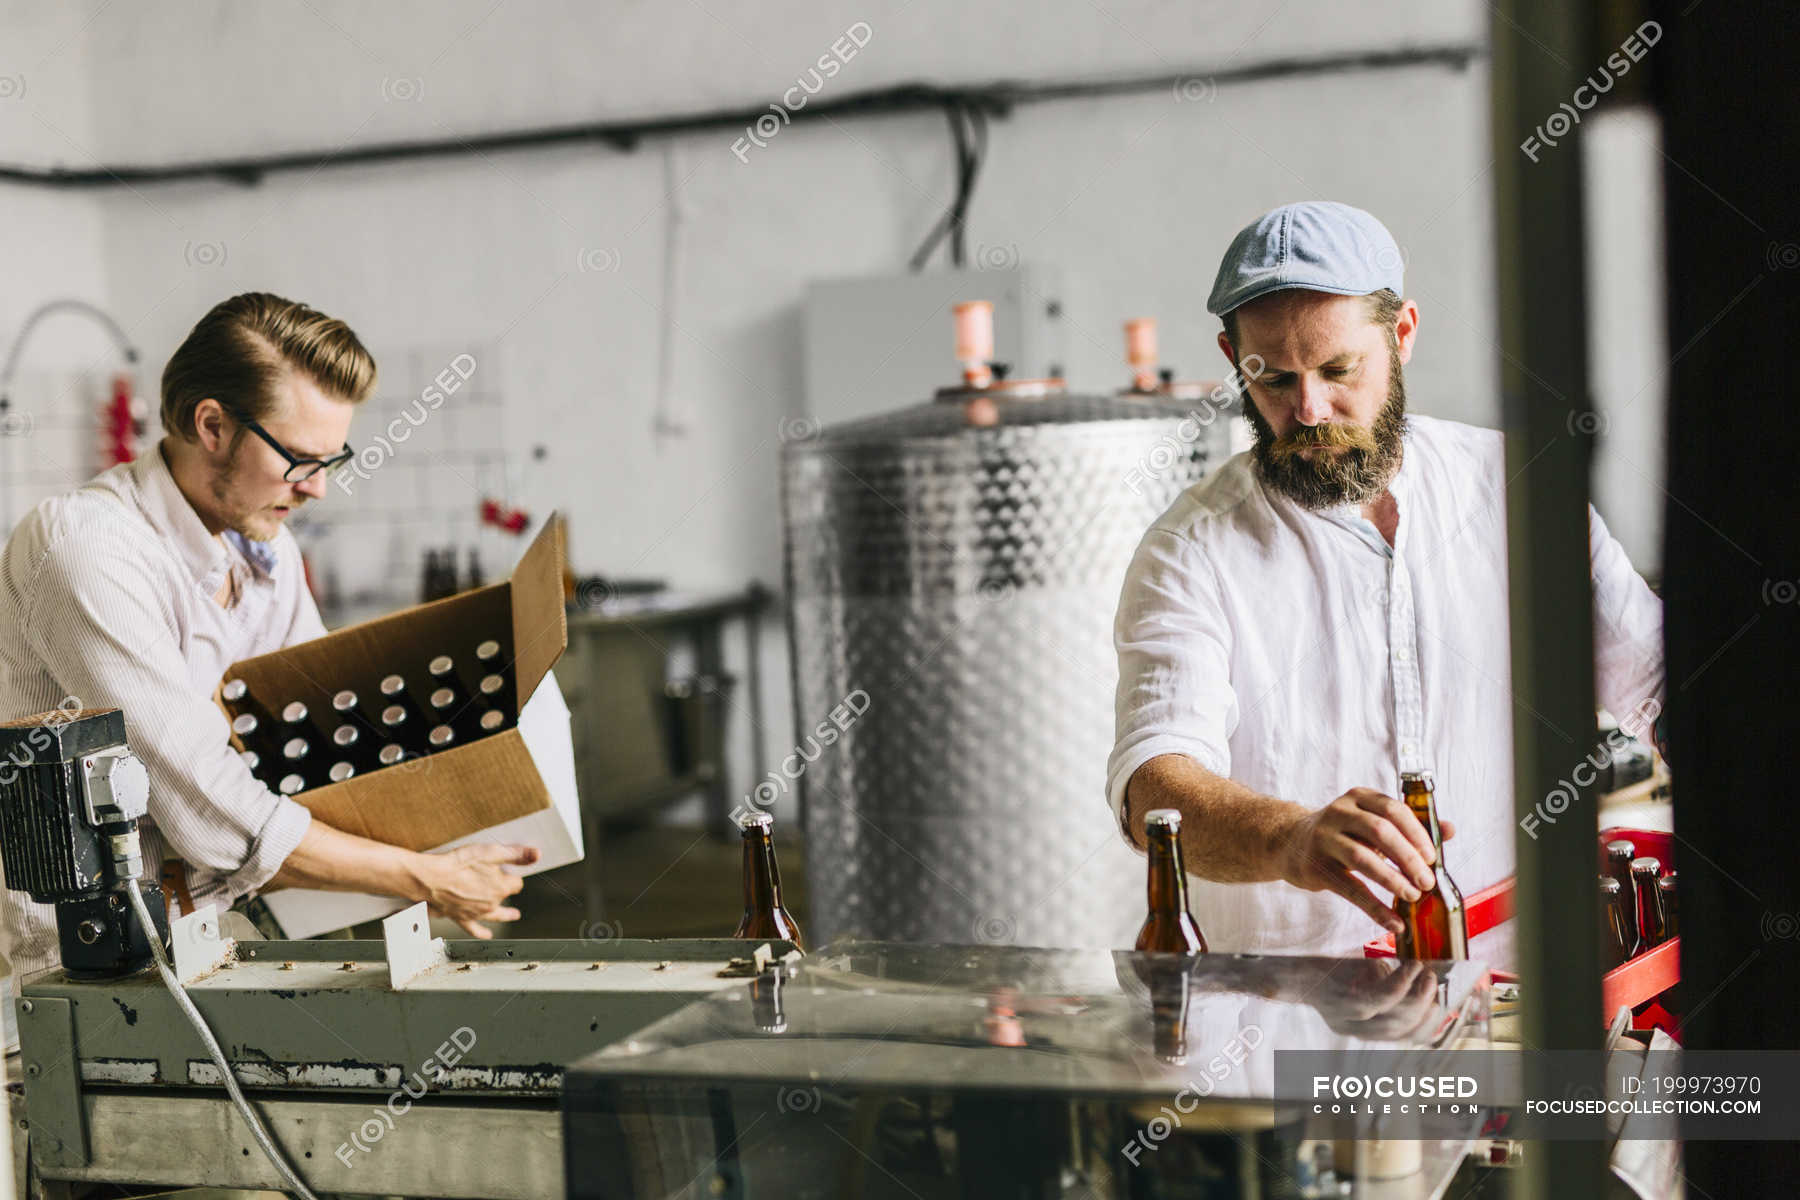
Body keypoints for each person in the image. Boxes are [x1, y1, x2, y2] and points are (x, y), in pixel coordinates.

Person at [1107, 202, 1664, 955]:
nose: (1309, 410)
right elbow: (1155, 788)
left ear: (1401, 335)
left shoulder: (1515, 490)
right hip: (1289, 1029)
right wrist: (1289, 839)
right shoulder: (1191, 549)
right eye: (1272, 379)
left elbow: (1659, 679)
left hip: (1508, 1003)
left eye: (1339, 370)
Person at [0, 293, 536, 1000]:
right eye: (298, 459)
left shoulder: (265, 551)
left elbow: (311, 735)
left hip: (238, 923)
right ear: (213, 424)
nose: (317, 487)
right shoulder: (88, 549)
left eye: (332, 459)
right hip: (99, 968)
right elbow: (211, 815)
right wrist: (422, 874)